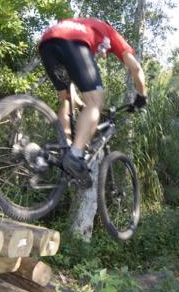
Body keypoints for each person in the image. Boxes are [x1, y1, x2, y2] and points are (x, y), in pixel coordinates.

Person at [39, 18, 147, 186]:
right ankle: (75, 155)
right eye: (103, 51)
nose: (102, 55)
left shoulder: (82, 23)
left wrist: (83, 104)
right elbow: (136, 68)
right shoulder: (110, 31)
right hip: (74, 43)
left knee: (66, 99)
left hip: (48, 43)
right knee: (96, 102)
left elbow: (71, 92)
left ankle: (65, 148)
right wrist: (142, 96)